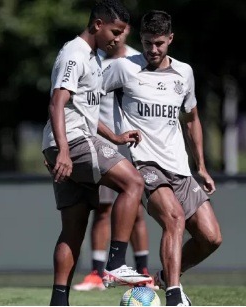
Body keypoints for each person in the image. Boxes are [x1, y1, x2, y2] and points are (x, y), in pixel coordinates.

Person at [101, 10, 222, 306]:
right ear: (140, 40)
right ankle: (174, 297)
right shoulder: (122, 68)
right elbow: (84, 96)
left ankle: (166, 278)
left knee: (211, 238)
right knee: (174, 218)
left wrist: (201, 167)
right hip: (145, 164)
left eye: (158, 43)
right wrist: (109, 135)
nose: (152, 50)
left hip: (180, 167)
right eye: (146, 43)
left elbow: (192, 119)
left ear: (170, 39)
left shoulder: (184, 73)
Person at [42, 1, 152, 305]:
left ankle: (58, 301)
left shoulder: (93, 58)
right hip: (73, 143)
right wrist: (63, 149)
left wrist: (114, 136)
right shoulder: (74, 55)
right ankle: (116, 262)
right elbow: (57, 103)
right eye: (115, 32)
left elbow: (85, 110)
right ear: (97, 25)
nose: (118, 39)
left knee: (73, 230)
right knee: (134, 182)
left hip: (68, 142)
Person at [72, 26, 155, 292]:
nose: (116, 36)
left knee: (136, 210)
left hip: (130, 145)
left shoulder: (135, 61)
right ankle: (98, 274)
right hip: (98, 145)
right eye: (113, 30)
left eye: (121, 31)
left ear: (128, 32)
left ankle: (142, 270)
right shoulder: (94, 62)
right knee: (102, 210)